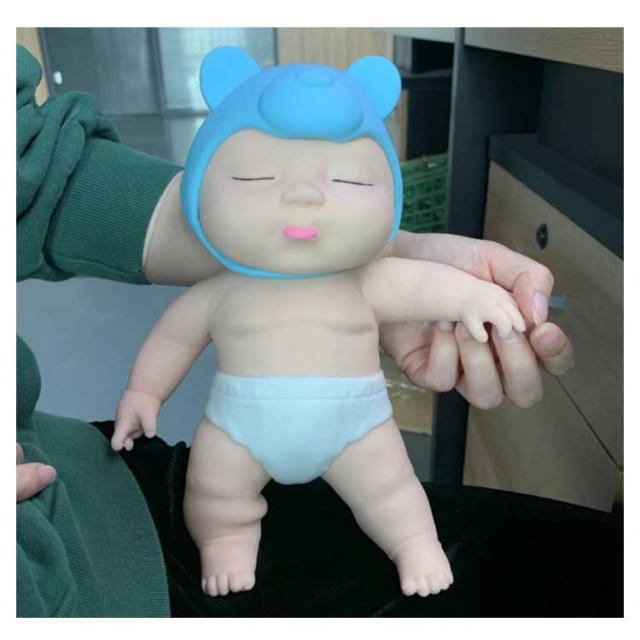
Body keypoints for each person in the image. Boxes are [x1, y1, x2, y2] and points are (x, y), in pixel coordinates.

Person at [18, 43, 596, 618]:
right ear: (200, 195)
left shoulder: (369, 279)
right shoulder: (222, 292)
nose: (303, 196)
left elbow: (429, 284)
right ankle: (226, 538)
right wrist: (145, 393)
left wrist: (477, 298)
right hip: (237, 431)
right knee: (215, 491)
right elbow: (175, 338)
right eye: (254, 176)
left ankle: (413, 541)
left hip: (357, 427)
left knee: (393, 490)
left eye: (349, 182)